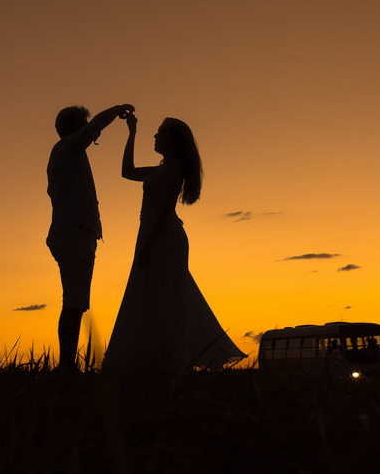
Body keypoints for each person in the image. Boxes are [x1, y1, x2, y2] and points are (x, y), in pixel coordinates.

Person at [103, 112, 245, 374]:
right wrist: (131, 132)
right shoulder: (163, 168)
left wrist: (148, 246)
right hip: (153, 233)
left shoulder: (175, 167)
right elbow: (127, 172)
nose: (155, 136)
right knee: (154, 293)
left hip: (163, 235)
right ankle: (152, 360)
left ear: (173, 140)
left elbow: (166, 208)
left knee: (163, 294)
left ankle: (166, 360)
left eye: (160, 132)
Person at [46, 103, 133, 372]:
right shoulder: (67, 148)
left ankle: (67, 366)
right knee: (74, 303)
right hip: (73, 233)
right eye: (82, 126)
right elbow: (95, 127)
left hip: (72, 233)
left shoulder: (67, 153)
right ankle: (66, 367)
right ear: (69, 128)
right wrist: (116, 109)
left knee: (75, 302)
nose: (89, 132)